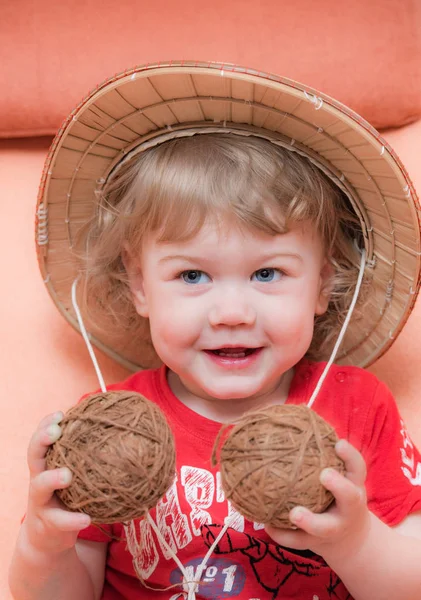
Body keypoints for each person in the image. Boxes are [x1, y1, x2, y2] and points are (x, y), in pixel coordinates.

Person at [9, 61, 421, 600]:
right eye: (192, 275)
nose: (231, 312)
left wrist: (355, 542)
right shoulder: (109, 430)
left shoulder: (359, 408)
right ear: (139, 287)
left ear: (322, 284)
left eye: (267, 273)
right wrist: (45, 544)